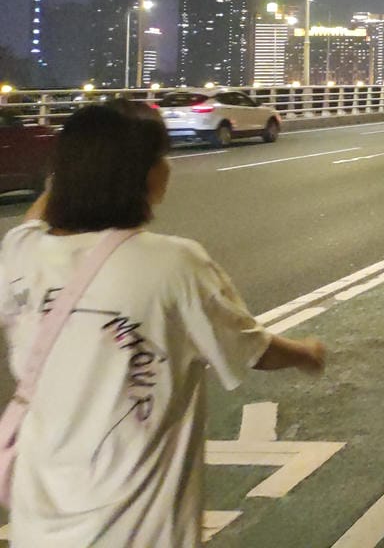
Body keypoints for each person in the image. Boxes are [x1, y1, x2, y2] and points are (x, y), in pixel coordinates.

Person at [0, 103, 326, 546]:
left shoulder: (21, 254)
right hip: (136, 528)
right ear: (147, 174)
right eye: (162, 156)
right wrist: (306, 353)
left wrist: (72, 174)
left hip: (36, 527)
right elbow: (252, 350)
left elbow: (35, 218)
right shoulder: (174, 264)